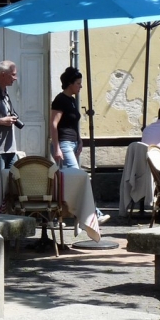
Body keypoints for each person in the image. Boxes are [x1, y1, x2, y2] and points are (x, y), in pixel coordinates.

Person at [49, 66, 110, 225]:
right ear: (70, 84)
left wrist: (80, 140)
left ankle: (57, 216)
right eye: (78, 83)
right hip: (63, 144)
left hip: (73, 143)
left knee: (65, 182)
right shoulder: (60, 100)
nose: (80, 86)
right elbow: (53, 125)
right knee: (78, 179)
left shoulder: (71, 100)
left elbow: (72, 123)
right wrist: (56, 147)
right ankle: (94, 213)